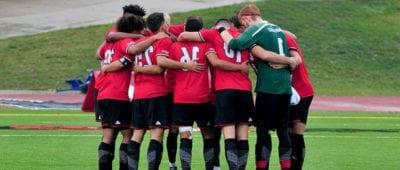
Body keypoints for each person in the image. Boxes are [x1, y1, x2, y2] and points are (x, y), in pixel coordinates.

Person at [219, 4, 295, 170]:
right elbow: (289, 55)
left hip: (268, 87)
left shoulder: (257, 28)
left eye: (243, 23)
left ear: (247, 18)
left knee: (263, 131)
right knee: (283, 131)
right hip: (285, 87)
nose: (244, 27)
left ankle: (262, 166)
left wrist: (221, 31)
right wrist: (290, 61)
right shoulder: (277, 29)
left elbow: (235, 44)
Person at [168, 16, 248, 170]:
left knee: (185, 135)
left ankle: (185, 168)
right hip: (202, 98)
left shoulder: (174, 46)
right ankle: (211, 167)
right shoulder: (206, 45)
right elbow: (215, 65)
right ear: (200, 30)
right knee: (209, 135)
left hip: (181, 98)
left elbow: (168, 69)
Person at [95, 14, 145, 170]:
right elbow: (126, 59)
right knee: (128, 136)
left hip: (103, 95)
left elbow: (98, 54)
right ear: (134, 29)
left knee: (107, 137)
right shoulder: (125, 42)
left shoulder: (110, 44)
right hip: (117, 96)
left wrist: (105, 66)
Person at [285, 32, 314, 170]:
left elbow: (292, 36)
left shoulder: (281, 37)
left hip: (301, 91)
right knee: (289, 133)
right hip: (288, 92)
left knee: (296, 133)